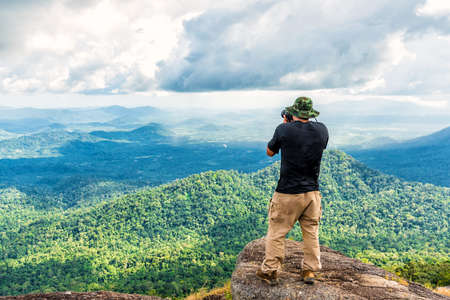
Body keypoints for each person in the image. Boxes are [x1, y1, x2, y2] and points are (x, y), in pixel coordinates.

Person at [256, 96, 329, 285]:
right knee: (311, 232)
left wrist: (286, 124)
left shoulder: (283, 130)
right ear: (310, 113)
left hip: (287, 193)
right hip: (312, 193)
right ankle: (310, 271)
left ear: (292, 113)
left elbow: (270, 152)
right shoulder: (322, 130)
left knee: (277, 232)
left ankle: (271, 271)